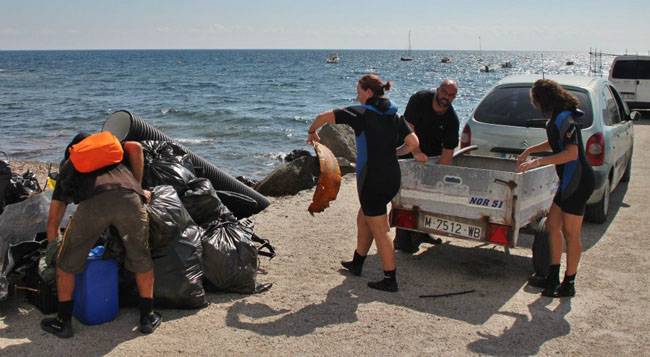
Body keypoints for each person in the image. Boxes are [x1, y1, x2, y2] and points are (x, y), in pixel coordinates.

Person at [307, 74, 426, 292]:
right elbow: (413, 142)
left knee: (380, 229)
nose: (357, 94)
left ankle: (390, 279)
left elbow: (322, 116)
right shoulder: (394, 114)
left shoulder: (360, 113)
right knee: (364, 218)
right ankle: (357, 263)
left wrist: (312, 131)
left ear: (368, 92)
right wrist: (394, 153)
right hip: (391, 177)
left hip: (372, 180)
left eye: (359, 90)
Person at [41, 133, 161, 338]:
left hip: (94, 205)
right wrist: (138, 187)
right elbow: (136, 147)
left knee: (66, 263)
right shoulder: (111, 152)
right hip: (129, 198)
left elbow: (54, 219)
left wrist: (54, 249)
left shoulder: (70, 167)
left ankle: (63, 322)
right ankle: (147, 317)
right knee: (141, 257)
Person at [517, 79, 595, 298]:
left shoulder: (565, 118)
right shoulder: (556, 117)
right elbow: (555, 143)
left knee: (571, 233)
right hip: (568, 181)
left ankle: (569, 283)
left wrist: (538, 163)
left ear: (541, 98)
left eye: (534, 98)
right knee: (552, 225)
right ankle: (552, 275)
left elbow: (571, 153)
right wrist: (529, 151)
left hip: (578, 181)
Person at [394, 79, 460, 252]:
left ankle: (423, 231)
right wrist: (416, 153)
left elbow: (447, 154)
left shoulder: (452, 120)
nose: (447, 97)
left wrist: (437, 177)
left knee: (427, 195)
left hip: (431, 158)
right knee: (406, 197)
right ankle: (402, 240)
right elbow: (407, 128)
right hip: (407, 152)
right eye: (444, 92)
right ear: (438, 90)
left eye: (451, 95)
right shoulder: (419, 99)